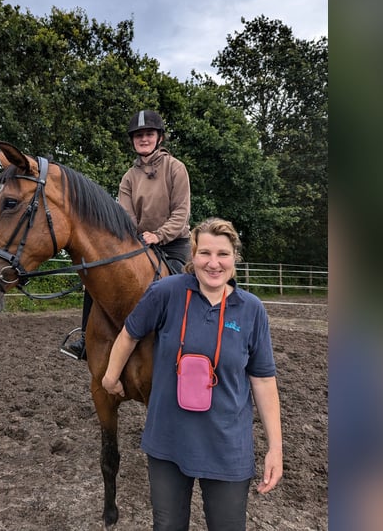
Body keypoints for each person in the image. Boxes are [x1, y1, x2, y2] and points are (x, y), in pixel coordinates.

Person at [102, 217, 283, 530]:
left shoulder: (251, 309)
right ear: (193, 256)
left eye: (223, 254)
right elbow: (130, 333)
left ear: (235, 258)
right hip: (168, 441)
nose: (214, 263)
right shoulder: (166, 292)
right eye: (205, 253)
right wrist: (110, 376)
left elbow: (264, 380)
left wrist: (275, 448)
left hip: (227, 447)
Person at [63, 109, 191, 360]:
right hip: (140, 243)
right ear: (133, 140)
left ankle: (187, 340)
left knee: (180, 284)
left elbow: (181, 212)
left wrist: (159, 235)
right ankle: (86, 342)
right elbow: (126, 217)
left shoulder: (176, 169)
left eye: (149, 134)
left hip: (173, 243)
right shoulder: (128, 178)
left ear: (159, 138)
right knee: (97, 280)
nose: (144, 138)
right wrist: (136, 237)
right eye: (139, 135)